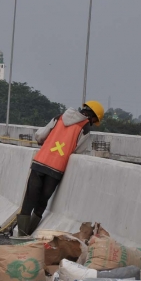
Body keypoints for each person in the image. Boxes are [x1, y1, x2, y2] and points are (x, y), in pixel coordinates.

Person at [17, 101, 105, 236]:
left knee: (29, 199)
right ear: (92, 117)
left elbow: (40, 136)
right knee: (42, 202)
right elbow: (78, 150)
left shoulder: (59, 117)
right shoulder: (85, 127)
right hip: (56, 169)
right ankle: (28, 233)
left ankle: (20, 235)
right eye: (94, 120)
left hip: (40, 162)